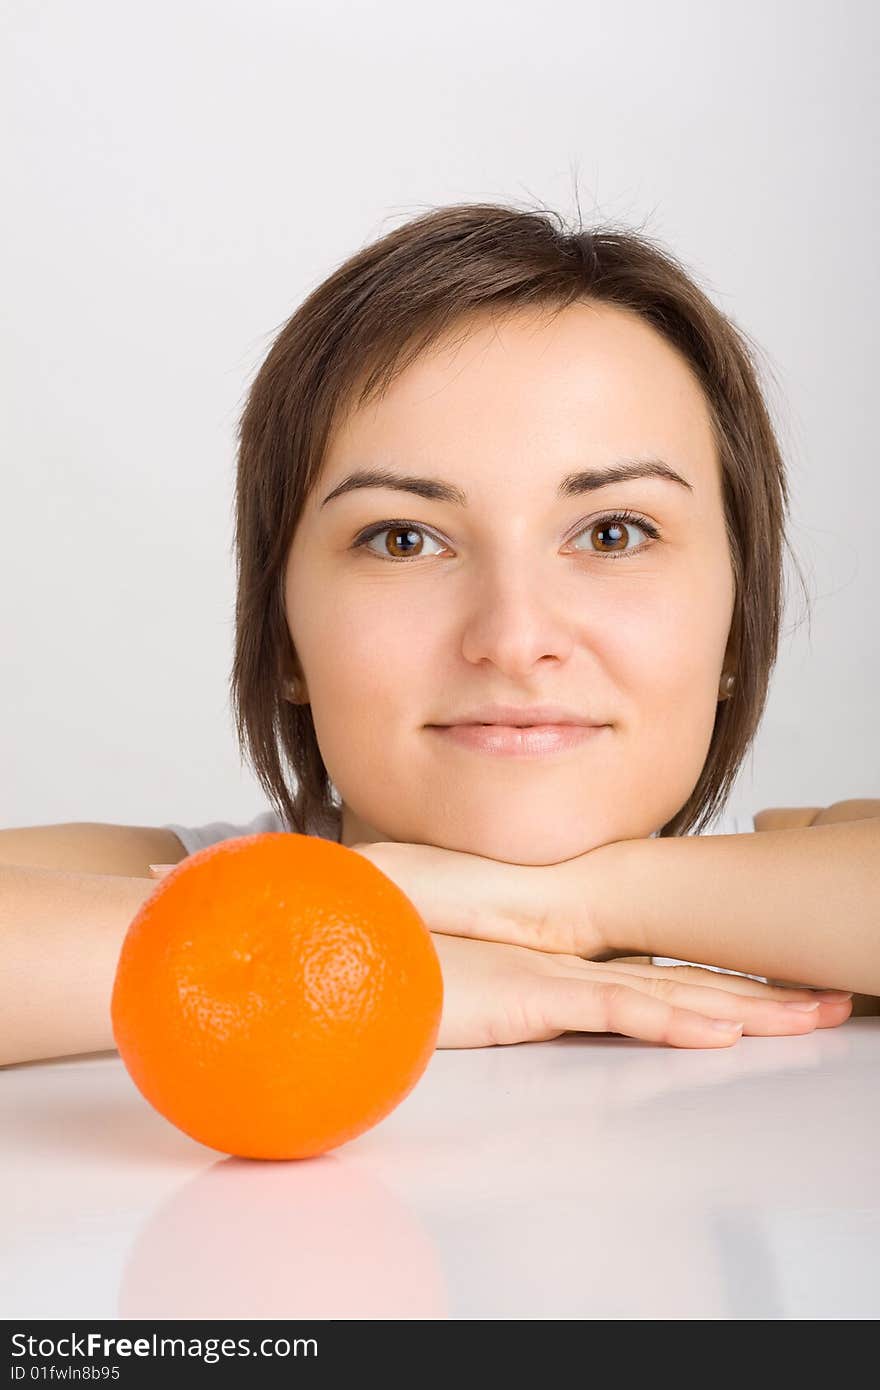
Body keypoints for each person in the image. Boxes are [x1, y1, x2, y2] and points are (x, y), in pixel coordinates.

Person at [2, 203, 875, 1067]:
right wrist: (375, 962)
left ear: (735, 627)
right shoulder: (162, 892)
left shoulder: (809, 912)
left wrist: (570, 907)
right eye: (403, 539)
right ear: (282, 639)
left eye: (613, 533)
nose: (514, 635)